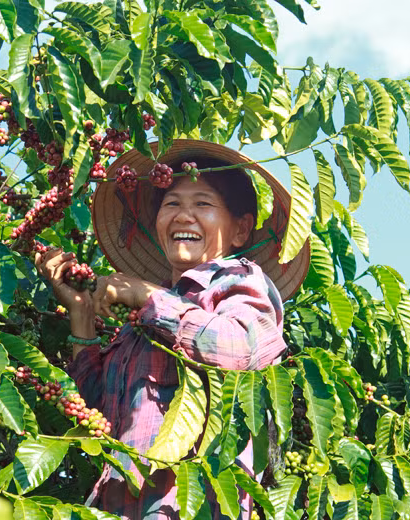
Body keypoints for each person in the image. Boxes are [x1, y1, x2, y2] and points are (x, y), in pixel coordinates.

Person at [35, 140, 310, 519]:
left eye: (203, 204)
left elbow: (240, 347)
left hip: (192, 505)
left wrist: (147, 296)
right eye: (172, 204)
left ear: (241, 230)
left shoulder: (237, 280)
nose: (184, 215)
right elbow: (94, 414)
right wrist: (81, 314)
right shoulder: (138, 325)